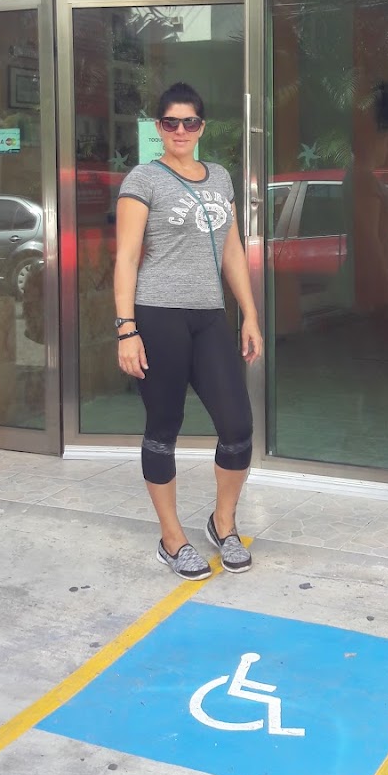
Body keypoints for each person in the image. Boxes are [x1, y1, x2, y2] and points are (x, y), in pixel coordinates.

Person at [114, 81, 263, 580]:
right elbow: (126, 257)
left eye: (190, 122)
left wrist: (249, 314)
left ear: (202, 127)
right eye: (171, 122)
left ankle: (223, 524)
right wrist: (126, 330)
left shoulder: (220, 177)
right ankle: (172, 538)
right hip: (158, 314)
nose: (181, 130)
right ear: (159, 128)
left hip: (209, 315)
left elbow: (232, 250)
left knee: (237, 426)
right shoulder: (143, 179)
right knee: (164, 427)